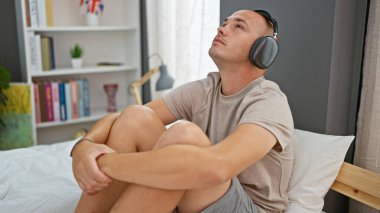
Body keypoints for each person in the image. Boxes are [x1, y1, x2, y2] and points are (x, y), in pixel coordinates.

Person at [71, 9, 294, 213]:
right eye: (225, 23)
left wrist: (104, 164)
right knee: (135, 116)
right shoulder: (204, 89)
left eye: (238, 26)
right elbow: (120, 120)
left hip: (248, 207)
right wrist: (84, 147)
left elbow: (218, 167)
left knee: (184, 136)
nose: (221, 28)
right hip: (197, 193)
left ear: (263, 50)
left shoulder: (269, 102)